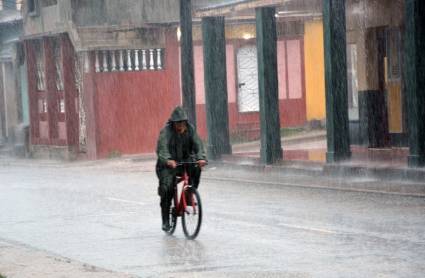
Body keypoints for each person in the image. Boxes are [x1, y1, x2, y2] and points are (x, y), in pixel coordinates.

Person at [156, 106, 207, 231]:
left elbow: (198, 145)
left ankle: (190, 193)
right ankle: (166, 220)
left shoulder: (190, 129)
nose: (181, 125)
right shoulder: (166, 132)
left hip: (185, 162)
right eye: (178, 123)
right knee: (167, 187)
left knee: (196, 168)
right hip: (167, 165)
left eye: (183, 122)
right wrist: (168, 160)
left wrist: (201, 158)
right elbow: (161, 149)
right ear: (173, 123)